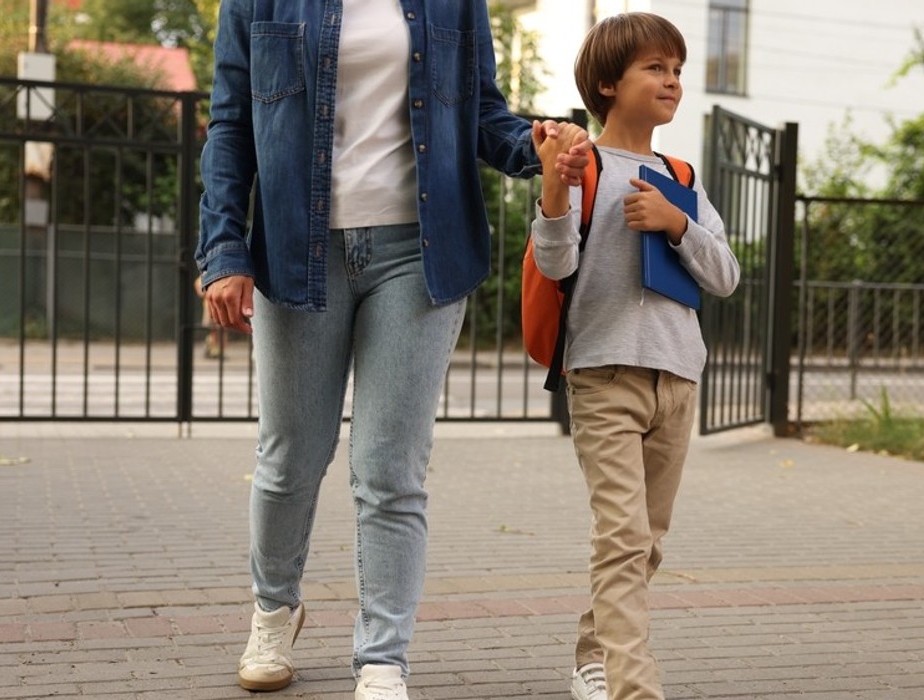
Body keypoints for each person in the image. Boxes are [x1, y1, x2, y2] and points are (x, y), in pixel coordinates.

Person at [195, 1, 588, 698]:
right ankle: (273, 608)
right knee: (290, 458)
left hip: (420, 252)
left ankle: (382, 658)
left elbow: (480, 114)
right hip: (296, 249)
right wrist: (223, 249)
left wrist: (537, 146)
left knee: (389, 468)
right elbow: (230, 128)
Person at [530, 12, 741, 700]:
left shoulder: (679, 175)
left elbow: (725, 275)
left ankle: (592, 654)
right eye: (654, 67)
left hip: (677, 378)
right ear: (606, 83)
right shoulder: (583, 162)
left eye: (676, 69)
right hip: (604, 375)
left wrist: (676, 223)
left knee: (644, 543)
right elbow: (556, 262)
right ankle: (631, 687)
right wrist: (554, 188)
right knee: (620, 539)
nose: (671, 80)